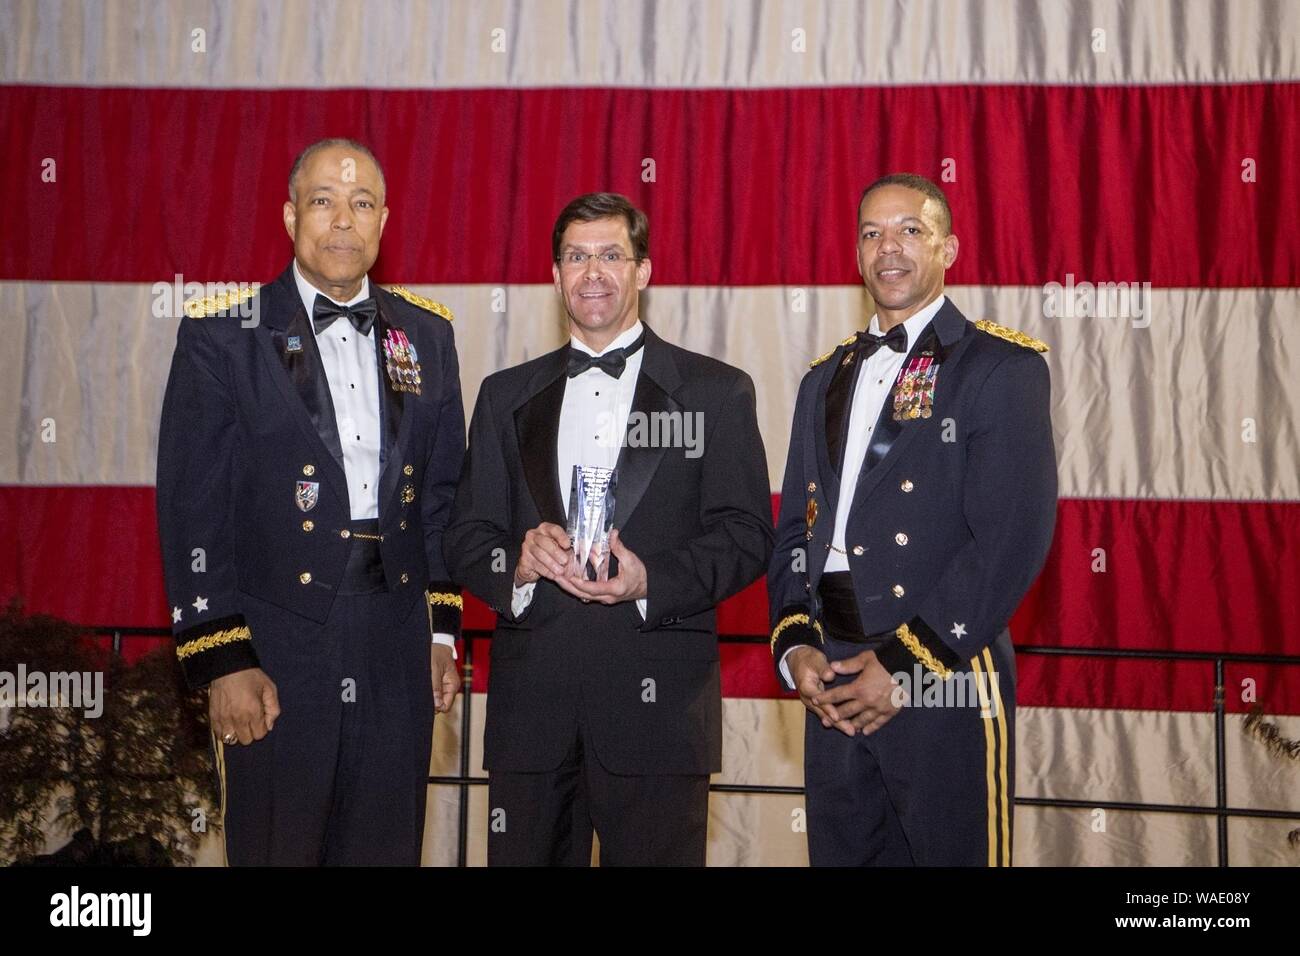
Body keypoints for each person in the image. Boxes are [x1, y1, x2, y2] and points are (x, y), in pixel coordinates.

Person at [156, 138, 466, 865]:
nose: (342, 220)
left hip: (396, 641)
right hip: (278, 644)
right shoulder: (222, 335)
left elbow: (445, 498)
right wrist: (222, 658)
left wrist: (442, 635)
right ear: (291, 214)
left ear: (383, 222)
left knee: (384, 848)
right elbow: (191, 508)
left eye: (361, 204)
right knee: (279, 848)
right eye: (324, 201)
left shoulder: (428, 334)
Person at [445, 192, 773, 865]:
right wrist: (519, 562)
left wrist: (652, 580)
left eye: (611, 255)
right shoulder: (504, 396)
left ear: (643, 271)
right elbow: (465, 535)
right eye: (575, 256)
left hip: (659, 719)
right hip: (530, 722)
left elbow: (747, 534)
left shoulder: (717, 392)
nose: (592, 272)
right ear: (556, 274)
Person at [767, 173, 1057, 866]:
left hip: (942, 670)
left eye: (909, 230)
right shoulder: (824, 377)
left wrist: (902, 667)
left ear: (949, 248)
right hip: (833, 677)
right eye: (871, 232)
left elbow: (1010, 541)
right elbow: (795, 535)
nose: (887, 247)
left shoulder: (998, 367)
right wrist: (795, 646)